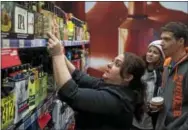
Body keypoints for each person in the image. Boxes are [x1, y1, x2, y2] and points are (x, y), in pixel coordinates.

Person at [47, 31, 147, 130]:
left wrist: (57, 55)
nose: (109, 64)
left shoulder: (117, 101)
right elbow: (79, 76)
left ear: (128, 77)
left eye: (117, 64)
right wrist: (59, 50)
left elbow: (70, 94)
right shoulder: (110, 85)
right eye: (113, 61)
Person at [151, 22, 188, 130]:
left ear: (181, 41)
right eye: (161, 38)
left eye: (167, 39)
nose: (161, 43)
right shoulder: (167, 65)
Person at [132, 40, 165, 130]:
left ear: (161, 57)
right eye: (149, 51)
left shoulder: (162, 74)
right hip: (136, 114)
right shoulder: (139, 69)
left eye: (155, 53)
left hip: (151, 117)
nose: (150, 54)